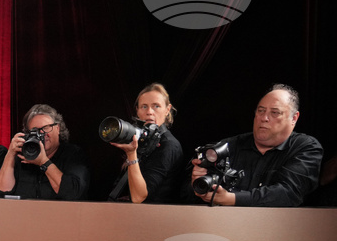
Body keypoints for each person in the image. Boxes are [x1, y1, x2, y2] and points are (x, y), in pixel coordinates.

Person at [189, 84, 322, 206]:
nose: (264, 118)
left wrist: (230, 198)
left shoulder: (306, 148)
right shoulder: (227, 146)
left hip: (283, 228)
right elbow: (187, 195)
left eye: (275, 112)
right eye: (261, 111)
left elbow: (288, 193)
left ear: (294, 118)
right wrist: (199, 181)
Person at [107, 83, 185, 203]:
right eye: (144, 106)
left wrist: (131, 154)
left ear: (167, 110)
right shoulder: (141, 140)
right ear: (137, 111)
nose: (149, 112)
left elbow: (139, 197)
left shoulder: (168, 145)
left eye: (156, 106)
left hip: (155, 218)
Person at [0, 104, 90, 200]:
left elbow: (72, 193)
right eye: (35, 130)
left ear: (57, 128)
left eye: (45, 128)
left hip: (60, 214)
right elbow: (3, 191)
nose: (42, 134)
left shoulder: (73, 154)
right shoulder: (22, 155)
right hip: (25, 213)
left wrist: (44, 162)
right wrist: (10, 154)